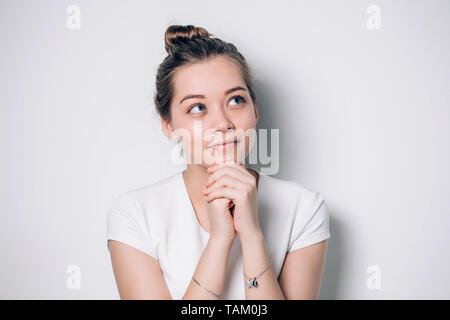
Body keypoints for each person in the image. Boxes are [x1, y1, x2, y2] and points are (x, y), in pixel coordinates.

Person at [106, 24, 330, 300]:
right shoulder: (134, 214)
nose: (223, 123)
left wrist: (251, 234)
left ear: (255, 109)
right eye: (197, 108)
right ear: (169, 125)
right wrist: (220, 240)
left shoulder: (304, 209)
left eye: (236, 100)